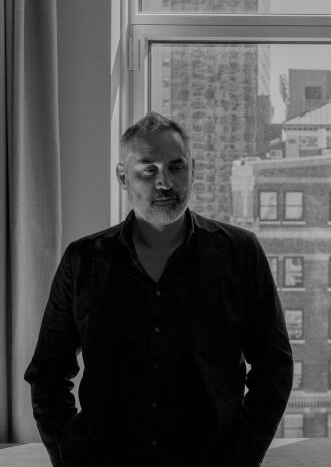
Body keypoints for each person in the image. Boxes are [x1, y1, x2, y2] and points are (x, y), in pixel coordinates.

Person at [25, 112, 294, 467]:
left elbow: (274, 366)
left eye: (176, 167)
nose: (165, 182)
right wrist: (69, 454)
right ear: (123, 176)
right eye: (148, 170)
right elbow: (48, 371)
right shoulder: (84, 260)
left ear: (193, 170)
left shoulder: (239, 253)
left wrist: (243, 454)